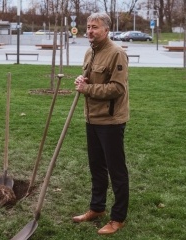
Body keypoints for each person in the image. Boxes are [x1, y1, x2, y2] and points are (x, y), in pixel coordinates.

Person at [73, 12, 130, 235]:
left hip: (111, 120)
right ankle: (96, 208)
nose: (90, 30)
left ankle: (118, 218)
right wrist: (82, 80)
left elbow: (117, 88)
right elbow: (90, 78)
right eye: (88, 26)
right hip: (92, 118)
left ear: (106, 30)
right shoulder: (90, 51)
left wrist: (87, 89)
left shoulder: (117, 53)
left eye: (95, 27)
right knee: (97, 167)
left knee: (116, 170)